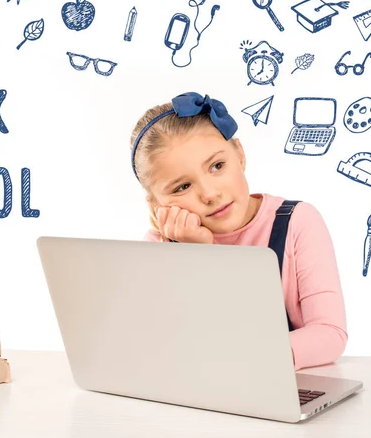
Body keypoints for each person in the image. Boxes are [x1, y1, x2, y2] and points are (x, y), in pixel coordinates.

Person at [129, 91, 348, 371]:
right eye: (182, 187)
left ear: (240, 156)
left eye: (217, 166)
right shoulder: (161, 245)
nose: (209, 193)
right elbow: (152, 344)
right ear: (156, 204)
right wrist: (193, 256)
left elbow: (330, 334)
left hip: (279, 381)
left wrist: (243, 361)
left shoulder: (297, 223)